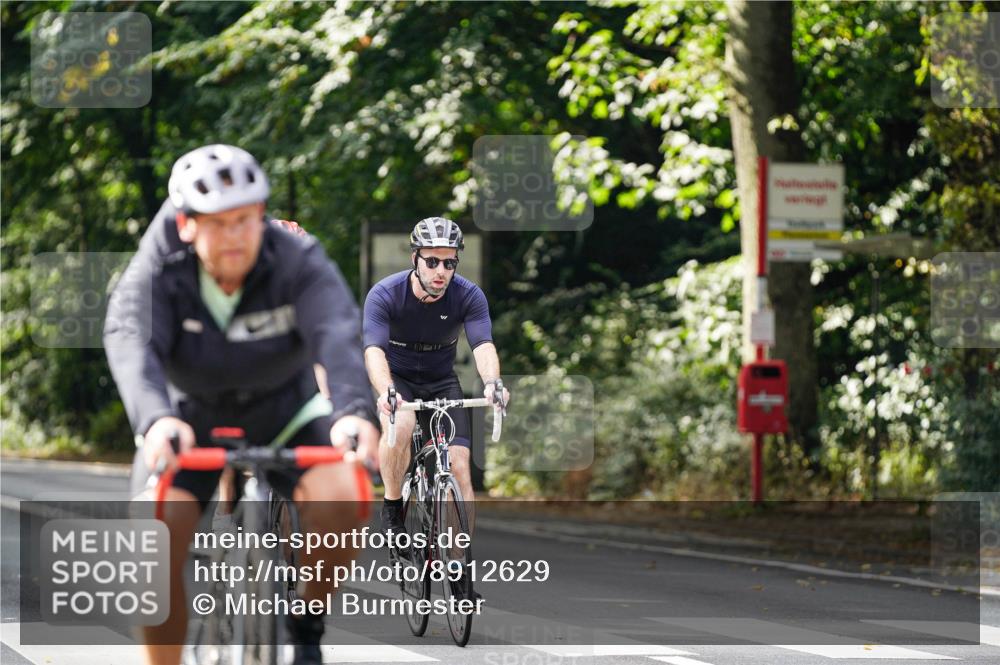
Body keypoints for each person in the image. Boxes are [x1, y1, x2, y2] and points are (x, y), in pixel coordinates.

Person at [104, 144, 379, 665]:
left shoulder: (296, 257)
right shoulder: (158, 266)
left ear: (262, 216)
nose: (235, 237)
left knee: (346, 493)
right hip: (189, 414)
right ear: (187, 224)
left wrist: (353, 412)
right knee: (153, 542)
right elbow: (130, 338)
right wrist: (156, 417)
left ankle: (306, 615)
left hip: (285, 408)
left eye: (245, 221)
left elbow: (337, 330)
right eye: (218, 224)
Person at [362, 217, 509, 545]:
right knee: (400, 425)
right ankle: (392, 505)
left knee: (459, 466)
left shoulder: (468, 296)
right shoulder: (385, 294)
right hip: (398, 379)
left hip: (442, 380)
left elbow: (483, 344)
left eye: (449, 262)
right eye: (431, 261)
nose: (440, 270)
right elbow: (373, 350)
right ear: (415, 258)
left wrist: (492, 382)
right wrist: (386, 391)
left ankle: (459, 568)